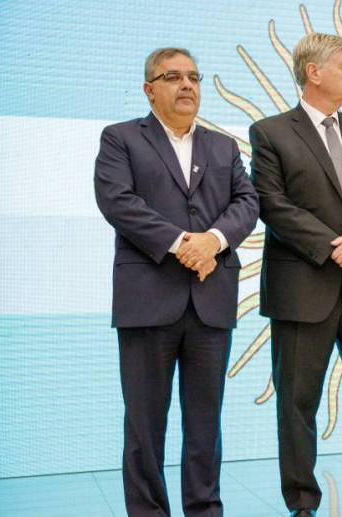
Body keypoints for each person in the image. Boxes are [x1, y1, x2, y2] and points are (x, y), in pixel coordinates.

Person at [94, 47, 259, 516]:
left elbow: (247, 203)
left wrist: (213, 241)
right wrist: (183, 243)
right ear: (149, 90)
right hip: (147, 300)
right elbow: (117, 201)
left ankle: (204, 510)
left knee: (206, 425)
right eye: (173, 77)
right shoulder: (121, 138)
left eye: (193, 77)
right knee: (145, 427)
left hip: (211, 299)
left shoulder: (223, 146)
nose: (187, 85)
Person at [248, 32, 342, 517]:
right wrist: (340, 248)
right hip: (302, 290)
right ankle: (302, 505)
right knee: (297, 404)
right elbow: (272, 204)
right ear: (313, 72)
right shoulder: (270, 132)